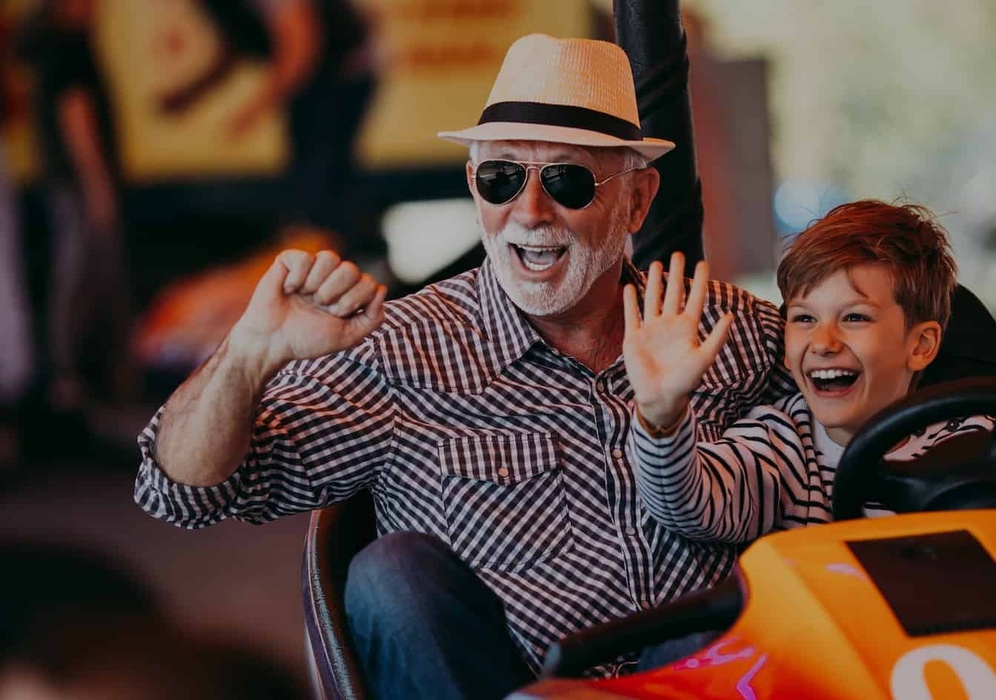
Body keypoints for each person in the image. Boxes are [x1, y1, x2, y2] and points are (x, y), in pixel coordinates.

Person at [134, 34, 787, 698]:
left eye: (567, 180)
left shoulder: (730, 333)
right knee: (392, 574)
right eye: (501, 178)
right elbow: (181, 493)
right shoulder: (399, 346)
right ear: (474, 186)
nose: (528, 212)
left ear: (637, 201)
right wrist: (248, 354)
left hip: (697, 681)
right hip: (499, 684)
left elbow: (868, 418)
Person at [623, 200, 996, 548]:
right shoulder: (782, 447)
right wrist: (662, 417)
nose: (824, 341)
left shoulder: (974, 435)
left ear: (920, 345)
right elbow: (690, 501)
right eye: (804, 319)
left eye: (854, 318)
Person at [159, 0, 378, 250]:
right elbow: (235, 46)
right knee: (308, 171)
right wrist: (192, 93)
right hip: (321, 71)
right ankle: (317, 246)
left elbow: (302, 47)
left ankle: (335, 252)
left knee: (321, 171)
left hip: (345, 68)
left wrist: (255, 109)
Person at [17, 0, 133, 419]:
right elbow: (77, 119)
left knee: (75, 277)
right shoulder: (69, 48)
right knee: (82, 278)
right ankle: (70, 383)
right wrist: (99, 186)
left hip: (63, 183)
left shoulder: (49, 48)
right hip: (78, 185)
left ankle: (72, 381)